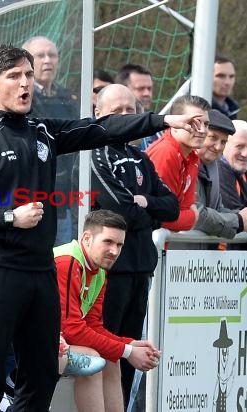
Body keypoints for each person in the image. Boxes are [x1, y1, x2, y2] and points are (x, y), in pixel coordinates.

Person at [0, 44, 202, 412]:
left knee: (44, 372)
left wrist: (163, 121)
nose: (25, 82)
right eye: (14, 76)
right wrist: (9, 216)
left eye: (28, 74)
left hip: (39, 270)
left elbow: (101, 127)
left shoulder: (43, 130)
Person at [90, 84, 179, 406]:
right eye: (119, 110)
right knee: (109, 351)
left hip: (141, 267)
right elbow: (120, 213)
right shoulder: (96, 153)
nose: (127, 117)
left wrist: (146, 204)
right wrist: (146, 209)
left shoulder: (141, 157)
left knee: (131, 353)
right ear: (99, 114)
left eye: (132, 110)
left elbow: (172, 207)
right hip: (109, 271)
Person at [54, 210, 161, 412]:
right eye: (108, 242)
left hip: (56, 341)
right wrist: (128, 351)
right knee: (92, 360)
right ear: (87, 238)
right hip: (23, 345)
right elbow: (71, 330)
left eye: (119, 245)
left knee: (111, 358)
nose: (114, 251)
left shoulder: (99, 270)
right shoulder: (67, 262)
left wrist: (126, 343)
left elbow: (93, 326)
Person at [22, 36, 80, 245]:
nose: (48, 61)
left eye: (52, 55)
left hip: (65, 198)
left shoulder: (68, 98)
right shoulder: (22, 98)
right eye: (40, 56)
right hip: (31, 200)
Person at [146, 95, 211, 232]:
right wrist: (193, 217)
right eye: (194, 123)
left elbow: (184, 209)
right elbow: (162, 217)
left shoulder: (192, 156)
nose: (203, 130)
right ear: (174, 125)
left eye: (206, 124)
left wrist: (188, 216)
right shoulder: (166, 152)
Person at [194, 110, 247, 239]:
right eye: (213, 138)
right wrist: (239, 220)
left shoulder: (212, 165)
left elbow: (218, 209)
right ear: (200, 134)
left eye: (223, 142)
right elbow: (195, 213)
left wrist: (240, 217)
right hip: (174, 252)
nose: (218, 147)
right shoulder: (183, 161)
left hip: (199, 253)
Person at [212, 55, 240, 120]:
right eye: (220, 76)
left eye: (231, 76)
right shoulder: (197, 109)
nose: (227, 82)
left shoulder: (233, 110)